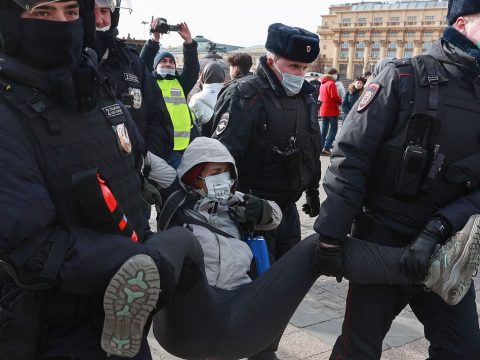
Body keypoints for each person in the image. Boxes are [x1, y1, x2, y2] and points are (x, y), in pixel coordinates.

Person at [144, 137, 480, 360]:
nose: (221, 181)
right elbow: (133, 151)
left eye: (225, 174)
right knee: (178, 241)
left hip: (238, 313)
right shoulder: (177, 197)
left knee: (319, 245)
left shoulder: (238, 205)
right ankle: (135, 299)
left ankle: (432, 269)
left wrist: (260, 208)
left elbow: (273, 218)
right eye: (211, 173)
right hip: (188, 317)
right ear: (190, 176)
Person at [0, 1, 187, 359]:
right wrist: (133, 259)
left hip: (121, 317)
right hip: (48, 329)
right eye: (42, 12)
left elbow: (135, 164)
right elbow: (30, 246)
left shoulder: (94, 88)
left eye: (71, 12)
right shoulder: (7, 110)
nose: (61, 23)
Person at [314, 0, 480, 358]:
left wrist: (439, 227)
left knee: (463, 349)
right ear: (463, 24)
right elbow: (352, 156)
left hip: (446, 248)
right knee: (358, 347)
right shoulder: (403, 75)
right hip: (382, 237)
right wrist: (331, 234)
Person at [211, 22, 320, 360]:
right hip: (251, 216)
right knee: (256, 294)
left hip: (286, 213)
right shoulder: (245, 95)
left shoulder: (304, 96)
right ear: (272, 60)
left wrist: (313, 189)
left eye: (304, 67)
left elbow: (310, 146)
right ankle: (256, 351)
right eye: (293, 66)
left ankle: (264, 345)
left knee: (284, 293)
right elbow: (216, 162)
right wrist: (235, 205)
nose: (299, 73)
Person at [92, 0, 173, 161]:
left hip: (137, 171)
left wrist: (146, 160)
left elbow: (157, 118)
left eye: (104, 12)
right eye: (92, 12)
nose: (99, 20)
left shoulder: (130, 61)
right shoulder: (65, 61)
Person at [140, 18, 200, 169]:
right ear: (155, 66)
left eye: (171, 61)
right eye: (163, 61)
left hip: (185, 147)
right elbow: (142, 64)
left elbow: (192, 68)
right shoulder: (150, 83)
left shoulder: (180, 83)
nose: (168, 63)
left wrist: (189, 43)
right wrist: (155, 39)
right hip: (160, 147)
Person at [188, 62, 225, 135]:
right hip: (223, 141)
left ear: (204, 76)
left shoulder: (196, 98)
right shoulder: (228, 93)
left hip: (203, 141)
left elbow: (189, 122)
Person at [319, 70, 342, 156]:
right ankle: (327, 148)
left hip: (323, 109)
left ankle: (320, 148)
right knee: (333, 129)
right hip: (331, 109)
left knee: (324, 129)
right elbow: (334, 96)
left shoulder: (323, 84)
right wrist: (341, 101)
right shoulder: (331, 83)